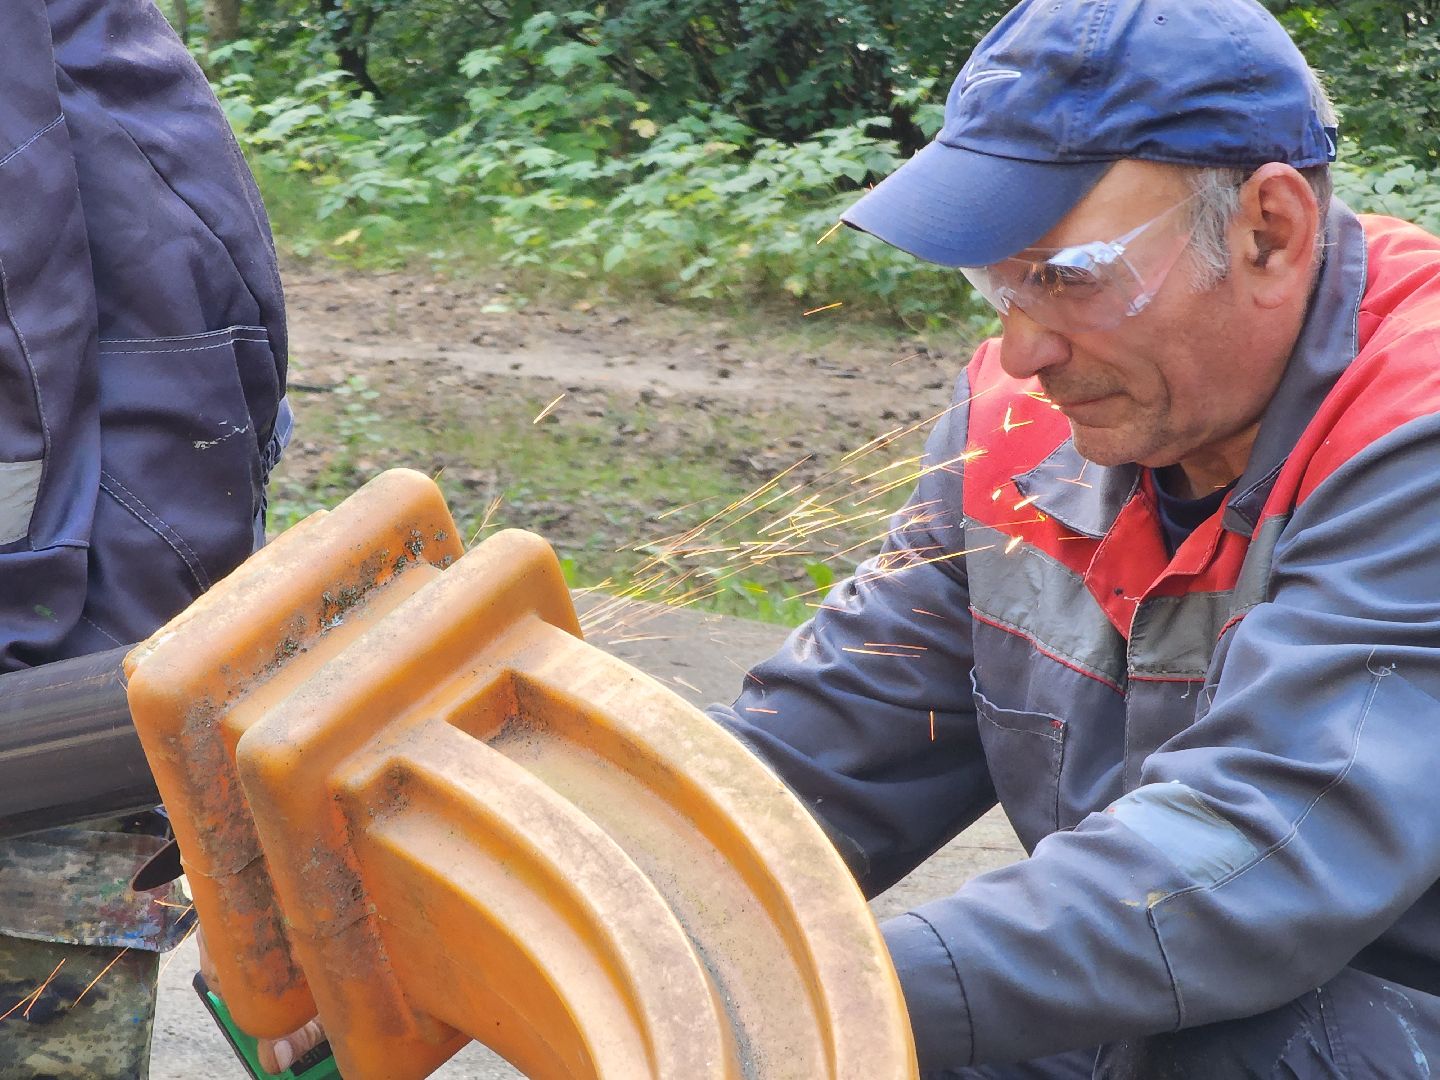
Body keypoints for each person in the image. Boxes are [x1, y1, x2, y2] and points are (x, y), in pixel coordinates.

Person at [707, 0, 1440, 1076]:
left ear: (1268, 231)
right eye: (998, 277)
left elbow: (1256, 860)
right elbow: (831, 738)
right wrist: (594, 874)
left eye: (1067, 274)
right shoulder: (1025, 428)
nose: (1022, 349)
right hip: (1188, 984)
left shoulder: (1413, 432)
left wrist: (816, 996)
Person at [0, 0, 289, 1075]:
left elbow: (14, 321)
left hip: (43, 648)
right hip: (120, 559)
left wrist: (16, 638)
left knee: (43, 981)